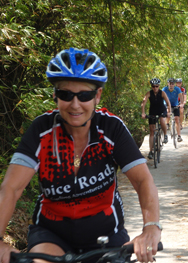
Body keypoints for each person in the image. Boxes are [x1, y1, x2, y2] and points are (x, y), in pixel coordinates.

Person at [0, 48, 161, 263]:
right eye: (66, 94)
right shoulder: (41, 131)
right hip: (52, 235)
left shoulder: (111, 128)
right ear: (55, 96)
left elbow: (142, 180)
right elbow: (11, 188)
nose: (75, 105)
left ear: (97, 96)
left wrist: (151, 228)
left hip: (106, 235)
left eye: (84, 95)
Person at [141, 78, 171, 159]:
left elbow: (168, 103)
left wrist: (169, 112)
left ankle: (165, 135)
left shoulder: (162, 93)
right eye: (153, 86)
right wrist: (143, 113)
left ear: (159, 86)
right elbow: (143, 103)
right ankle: (151, 151)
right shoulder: (149, 93)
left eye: (156, 86)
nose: (155, 88)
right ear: (151, 86)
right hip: (153, 111)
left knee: (162, 121)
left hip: (162, 110)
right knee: (152, 131)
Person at [162, 78, 184, 142]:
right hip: (166, 104)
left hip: (175, 104)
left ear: (174, 84)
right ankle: (167, 123)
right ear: (168, 84)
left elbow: (181, 96)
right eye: (170, 84)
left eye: (172, 84)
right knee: (168, 112)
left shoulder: (177, 89)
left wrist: (182, 104)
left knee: (177, 119)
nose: (171, 85)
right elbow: (161, 97)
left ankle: (179, 136)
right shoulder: (164, 89)